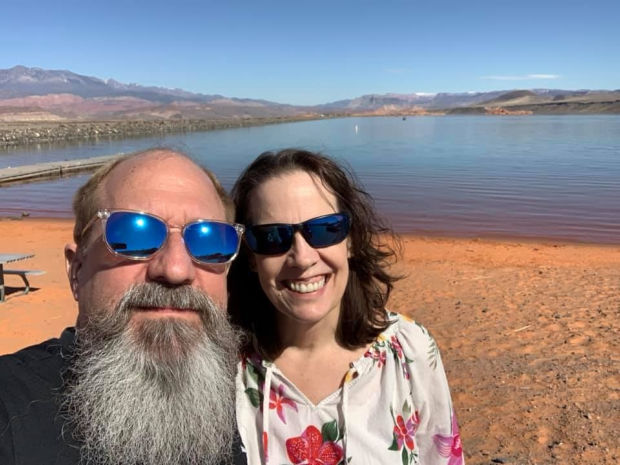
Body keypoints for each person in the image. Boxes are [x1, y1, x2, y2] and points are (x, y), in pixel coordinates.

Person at [0, 149, 247, 465]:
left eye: (210, 240)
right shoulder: (12, 409)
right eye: (133, 232)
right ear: (76, 271)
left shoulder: (235, 396)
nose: (175, 269)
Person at [229, 149, 464, 464]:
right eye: (273, 237)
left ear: (350, 240)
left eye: (325, 230)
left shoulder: (409, 352)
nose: (303, 257)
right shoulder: (227, 371)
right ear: (251, 258)